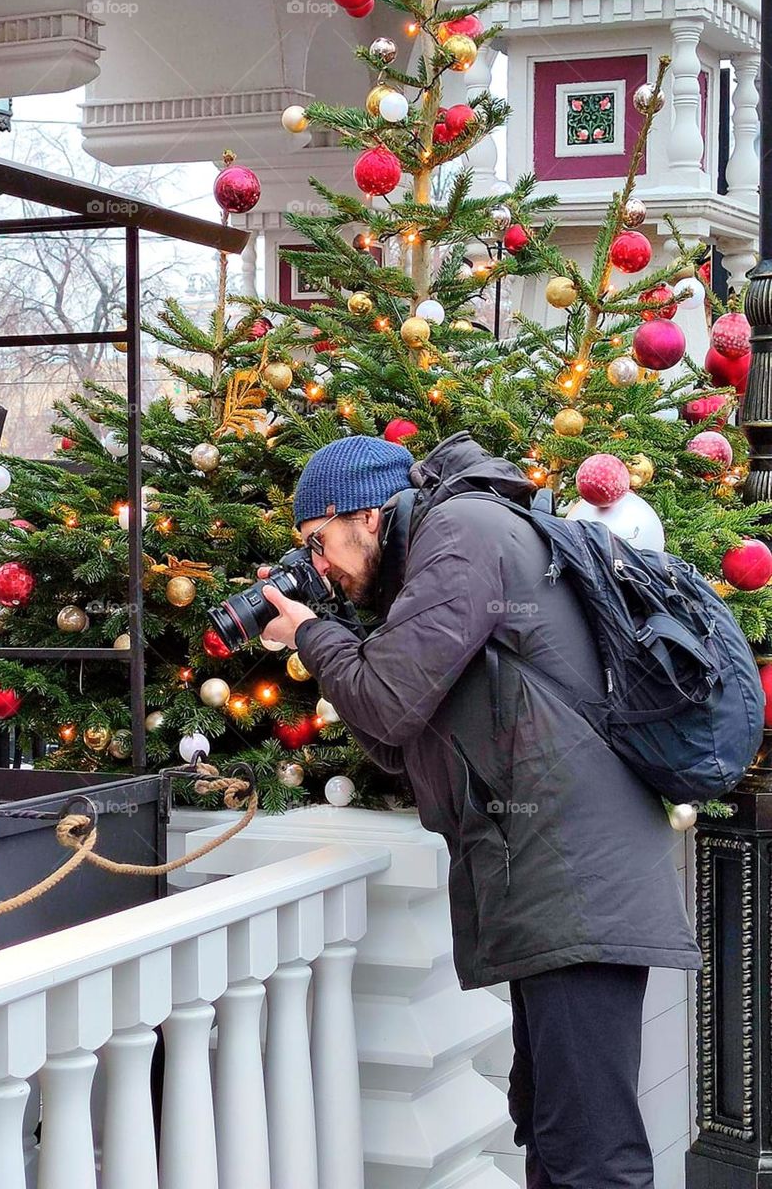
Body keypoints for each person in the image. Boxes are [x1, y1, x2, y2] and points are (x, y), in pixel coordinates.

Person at [258, 430, 701, 1189]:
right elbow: (398, 743)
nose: (318, 567)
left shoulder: (462, 530)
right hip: (550, 881)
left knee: (592, 1152)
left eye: (317, 541)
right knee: (557, 1132)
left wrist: (312, 633)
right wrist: (330, 639)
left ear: (365, 515)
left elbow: (389, 702)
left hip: (574, 882)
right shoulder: (451, 545)